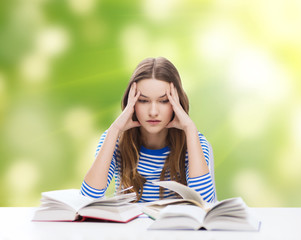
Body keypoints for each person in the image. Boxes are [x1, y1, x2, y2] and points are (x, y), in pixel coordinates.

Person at [80, 57, 216, 203]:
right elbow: (88, 197)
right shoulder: (114, 139)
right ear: (131, 102)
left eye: (163, 101)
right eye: (143, 100)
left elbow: (204, 203)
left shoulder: (195, 141)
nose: (153, 112)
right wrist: (114, 130)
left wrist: (190, 129)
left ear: (177, 102)